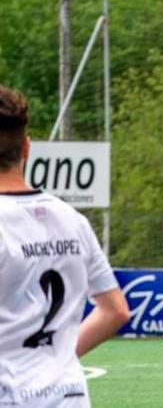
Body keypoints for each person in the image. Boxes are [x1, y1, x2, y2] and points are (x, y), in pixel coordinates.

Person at [0, 85, 130, 407]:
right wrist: (54, 360)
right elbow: (115, 311)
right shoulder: (73, 219)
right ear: (27, 148)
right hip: (68, 395)